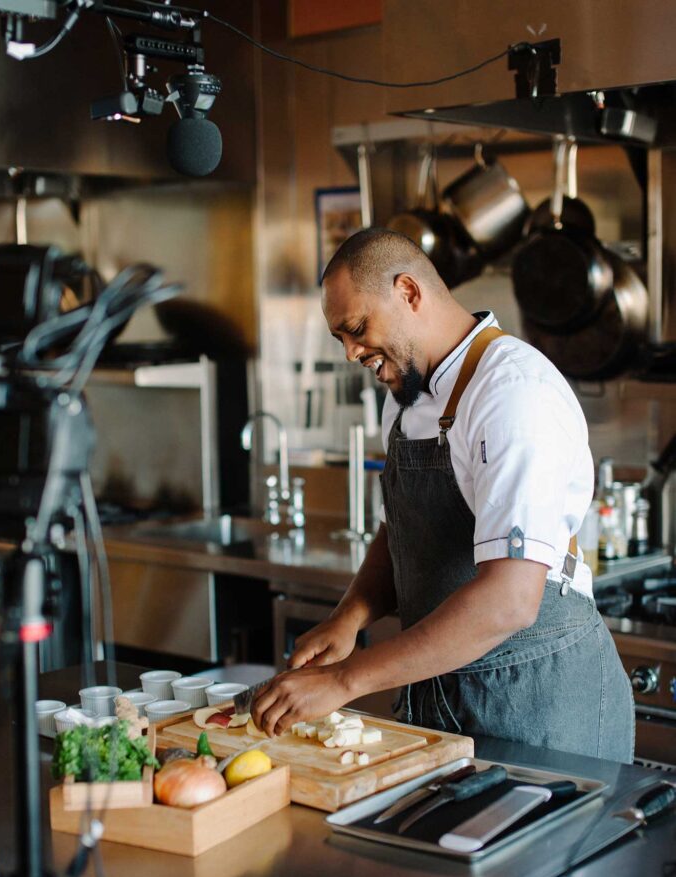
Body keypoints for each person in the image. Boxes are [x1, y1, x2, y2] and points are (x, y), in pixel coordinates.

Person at [251, 228, 635, 762]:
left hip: (540, 705)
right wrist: (351, 616)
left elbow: (509, 600)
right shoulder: (406, 394)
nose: (351, 352)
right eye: (340, 337)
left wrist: (345, 681)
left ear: (409, 293)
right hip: (441, 697)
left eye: (357, 329)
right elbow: (405, 529)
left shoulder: (513, 395)